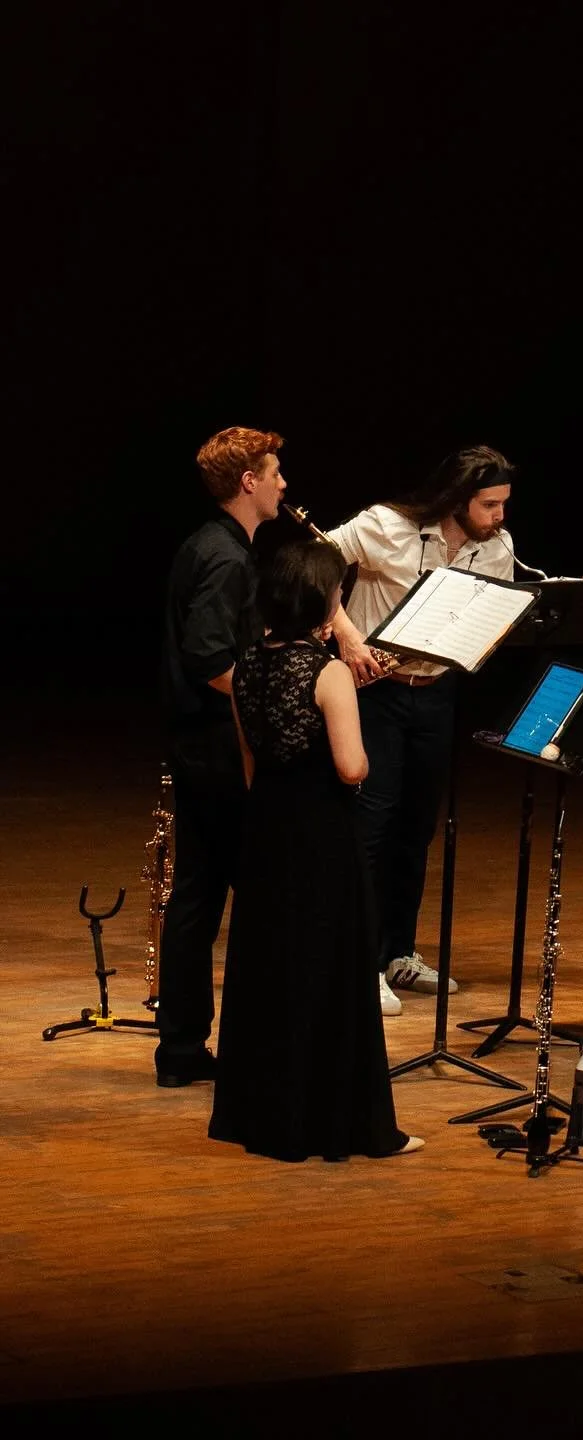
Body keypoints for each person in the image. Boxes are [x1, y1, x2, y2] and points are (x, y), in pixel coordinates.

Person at [209, 541, 421, 1160]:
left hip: (266, 830)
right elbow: (352, 767)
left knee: (273, 970)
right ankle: (344, 1126)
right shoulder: (327, 673)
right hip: (324, 835)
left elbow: (251, 763)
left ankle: (267, 1118)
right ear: (323, 605)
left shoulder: (246, 664)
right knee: (330, 973)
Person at [325, 446, 516, 1016]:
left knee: (415, 827)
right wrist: (348, 635)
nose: (500, 517)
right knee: (372, 825)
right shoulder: (387, 526)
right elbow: (311, 564)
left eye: (503, 504)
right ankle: (356, 962)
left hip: (435, 694)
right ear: (457, 499)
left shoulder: (497, 549)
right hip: (375, 692)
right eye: (489, 505)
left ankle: (398, 953)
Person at [155, 426, 286, 1088]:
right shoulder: (228, 557)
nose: (284, 483)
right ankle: (249, 1049)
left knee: (197, 898)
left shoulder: (208, 543)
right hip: (219, 747)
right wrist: (270, 692)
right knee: (249, 898)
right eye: (275, 471)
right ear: (249, 482)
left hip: (200, 742)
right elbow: (209, 656)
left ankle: (182, 1051)